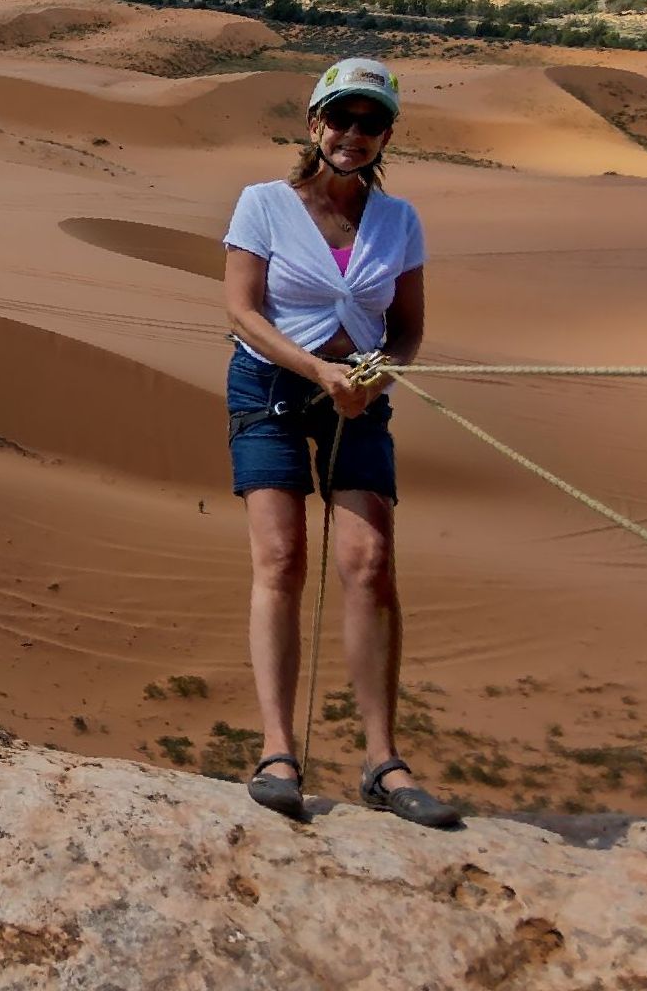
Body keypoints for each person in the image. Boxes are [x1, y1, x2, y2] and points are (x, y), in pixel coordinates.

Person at [220, 57, 458, 828]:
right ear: (314, 121)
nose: (352, 134)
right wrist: (320, 372)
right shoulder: (263, 204)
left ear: (386, 134)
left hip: (360, 397)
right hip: (273, 387)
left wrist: (375, 380)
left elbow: (409, 329)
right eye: (341, 118)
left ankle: (383, 761)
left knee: (370, 562)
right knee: (282, 559)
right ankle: (278, 750)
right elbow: (243, 312)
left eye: (370, 122)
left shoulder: (401, 220)